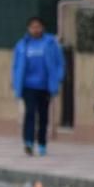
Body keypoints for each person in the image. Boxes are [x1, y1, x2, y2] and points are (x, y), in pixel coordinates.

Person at [12, 16, 65, 157]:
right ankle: (28, 142)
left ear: (43, 28)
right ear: (28, 29)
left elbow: (59, 63)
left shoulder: (51, 43)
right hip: (28, 86)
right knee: (30, 113)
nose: (35, 30)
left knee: (43, 115)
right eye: (33, 27)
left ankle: (42, 143)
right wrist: (16, 83)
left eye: (38, 27)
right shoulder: (22, 45)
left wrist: (57, 78)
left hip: (45, 86)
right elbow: (16, 66)